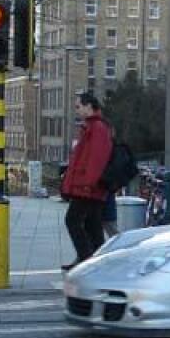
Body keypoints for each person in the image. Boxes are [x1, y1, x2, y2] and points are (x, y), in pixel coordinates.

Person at [60, 92, 113, 269]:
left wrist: (87, 184)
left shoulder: (97, 128)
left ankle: (85, 260)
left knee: (73, 220)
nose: (77, 110)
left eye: (78, 106)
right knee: (92, 225)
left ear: (89, 106)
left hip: (88, 187)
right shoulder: (91, 127)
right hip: (89, 187)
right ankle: (98, 262)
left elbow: (97, 159)